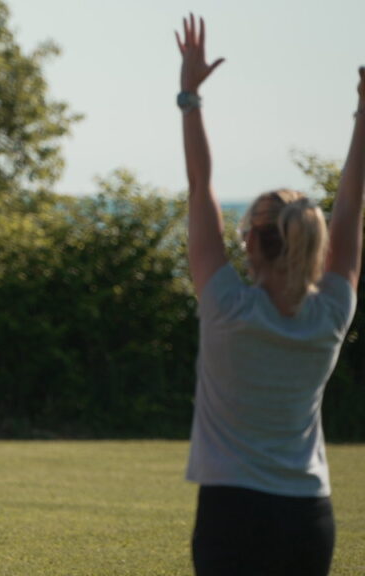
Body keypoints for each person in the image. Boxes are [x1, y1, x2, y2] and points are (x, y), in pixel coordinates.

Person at [176, 14, 363, 575]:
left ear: (253, 240)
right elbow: (352, 208)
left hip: (231, 513)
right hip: (309, 518)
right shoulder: (331, 311)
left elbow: (199, 185)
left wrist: (190, 96)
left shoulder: (227, 307)